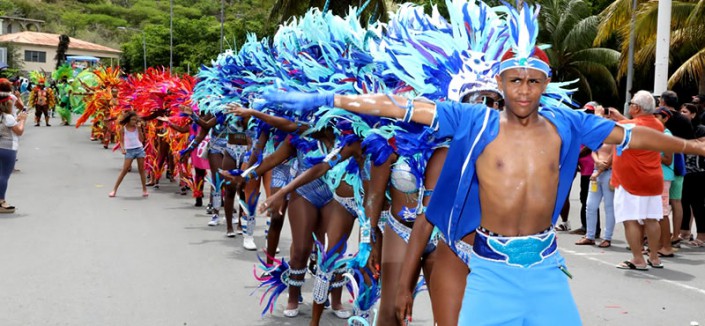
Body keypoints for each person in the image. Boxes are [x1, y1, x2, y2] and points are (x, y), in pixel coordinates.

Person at [261, 42, 705, 326]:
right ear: (500, 83)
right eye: (515, 81)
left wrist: (696, 149)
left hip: (547, 269)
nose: (524, 90)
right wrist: (328, 99)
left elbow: (633, 135)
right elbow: (400, 107)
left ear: (545, 84)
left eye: (533, 82)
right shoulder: (474, 122)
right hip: (491, 272)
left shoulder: (567, 125)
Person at [608, 92, 667, 270]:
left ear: (637, 108)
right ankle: (654, 257)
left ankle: (638, 259)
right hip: (653, 178)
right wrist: (619, 117)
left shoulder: (628, 125)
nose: (630, 105)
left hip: (631, 180)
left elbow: (616, 128)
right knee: (651, 219)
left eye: (632, 103)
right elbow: (630, 124)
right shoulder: (657, 124)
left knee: (630, 220)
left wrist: (600, 116)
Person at [108, 111, 148, 198]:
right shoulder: (123, 129)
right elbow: (121, 141)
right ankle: (114, 189)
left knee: (141, 169)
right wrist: (122, 149)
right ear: (128, 120)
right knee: (124, 170)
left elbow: (142, 140)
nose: (134, 122)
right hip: (129, 150)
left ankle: (144, 189)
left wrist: (139, 129)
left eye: (135, 120)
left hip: (139, 149)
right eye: (133, 120)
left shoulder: (137, 128)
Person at [0, 91, 28, 213]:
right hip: (8, 148)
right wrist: (22, 120)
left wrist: (17, 119)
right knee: (4, 175)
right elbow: (19, 131)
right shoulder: (8, 117)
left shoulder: (5, 117)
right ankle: (2, 202)